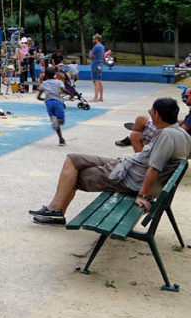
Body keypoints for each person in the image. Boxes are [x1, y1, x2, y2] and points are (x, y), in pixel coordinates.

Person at [30, 97, 191, 225]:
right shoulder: (181, 134)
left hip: (127, 177)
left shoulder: (166, 136)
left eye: (151, 112)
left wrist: (142, 195)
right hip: (125, 166)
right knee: (72, 159)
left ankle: (56, 211)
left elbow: (154, 169)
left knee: (74, 174)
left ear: (156, 115)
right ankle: (55, 210)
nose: (150, 115)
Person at [37, 66, 67, 146]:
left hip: (48, 103)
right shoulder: (59, 82)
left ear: (46, 75)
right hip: (58, 102)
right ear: (55, 74)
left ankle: (61, 139)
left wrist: (45, 99)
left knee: (54, 120)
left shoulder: (44, 83)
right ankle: (58, 121)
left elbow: (38, 97)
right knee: (61, 121)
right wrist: (71, 95)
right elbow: (64, 90)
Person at [89, 33, 105, 103]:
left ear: (96, 39)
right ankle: (100, 97)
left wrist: (92, 54)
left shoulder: (96, 47)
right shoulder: (102, 46)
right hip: (100, 64)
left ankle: (95, 98)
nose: (92, 40)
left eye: (93, 39)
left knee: (95, 81)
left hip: (95, 64)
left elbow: (90, 55)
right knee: (99, 81)